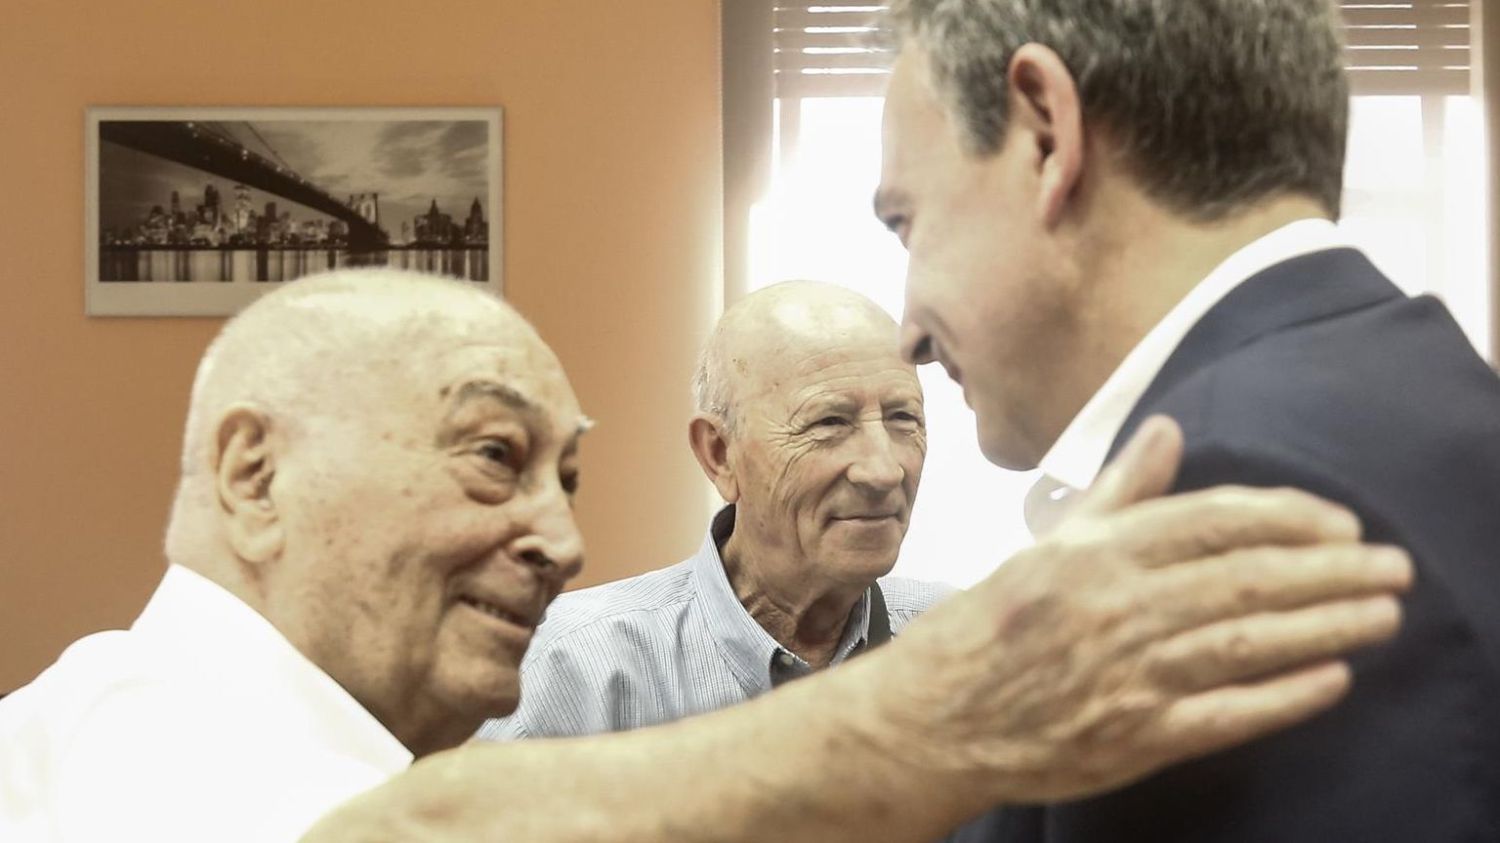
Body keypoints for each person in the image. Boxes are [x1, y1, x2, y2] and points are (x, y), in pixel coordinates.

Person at [0, 269, 1411, 843]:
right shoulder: (139, 728)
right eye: (494, 456)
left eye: (567, 472)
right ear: (255, 472)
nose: (559, 535)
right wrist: (922, 725)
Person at [875, 1, 1500, 840]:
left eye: (906, 223)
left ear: (1046, 134)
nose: (908, 330)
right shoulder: (1428, 393)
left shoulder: (1225, 495)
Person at [483, 281, 953, 740]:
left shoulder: (960, 645)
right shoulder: (573, 671)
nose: (884, 470)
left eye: (902, 418)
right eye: (830, 422)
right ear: (719, 454)